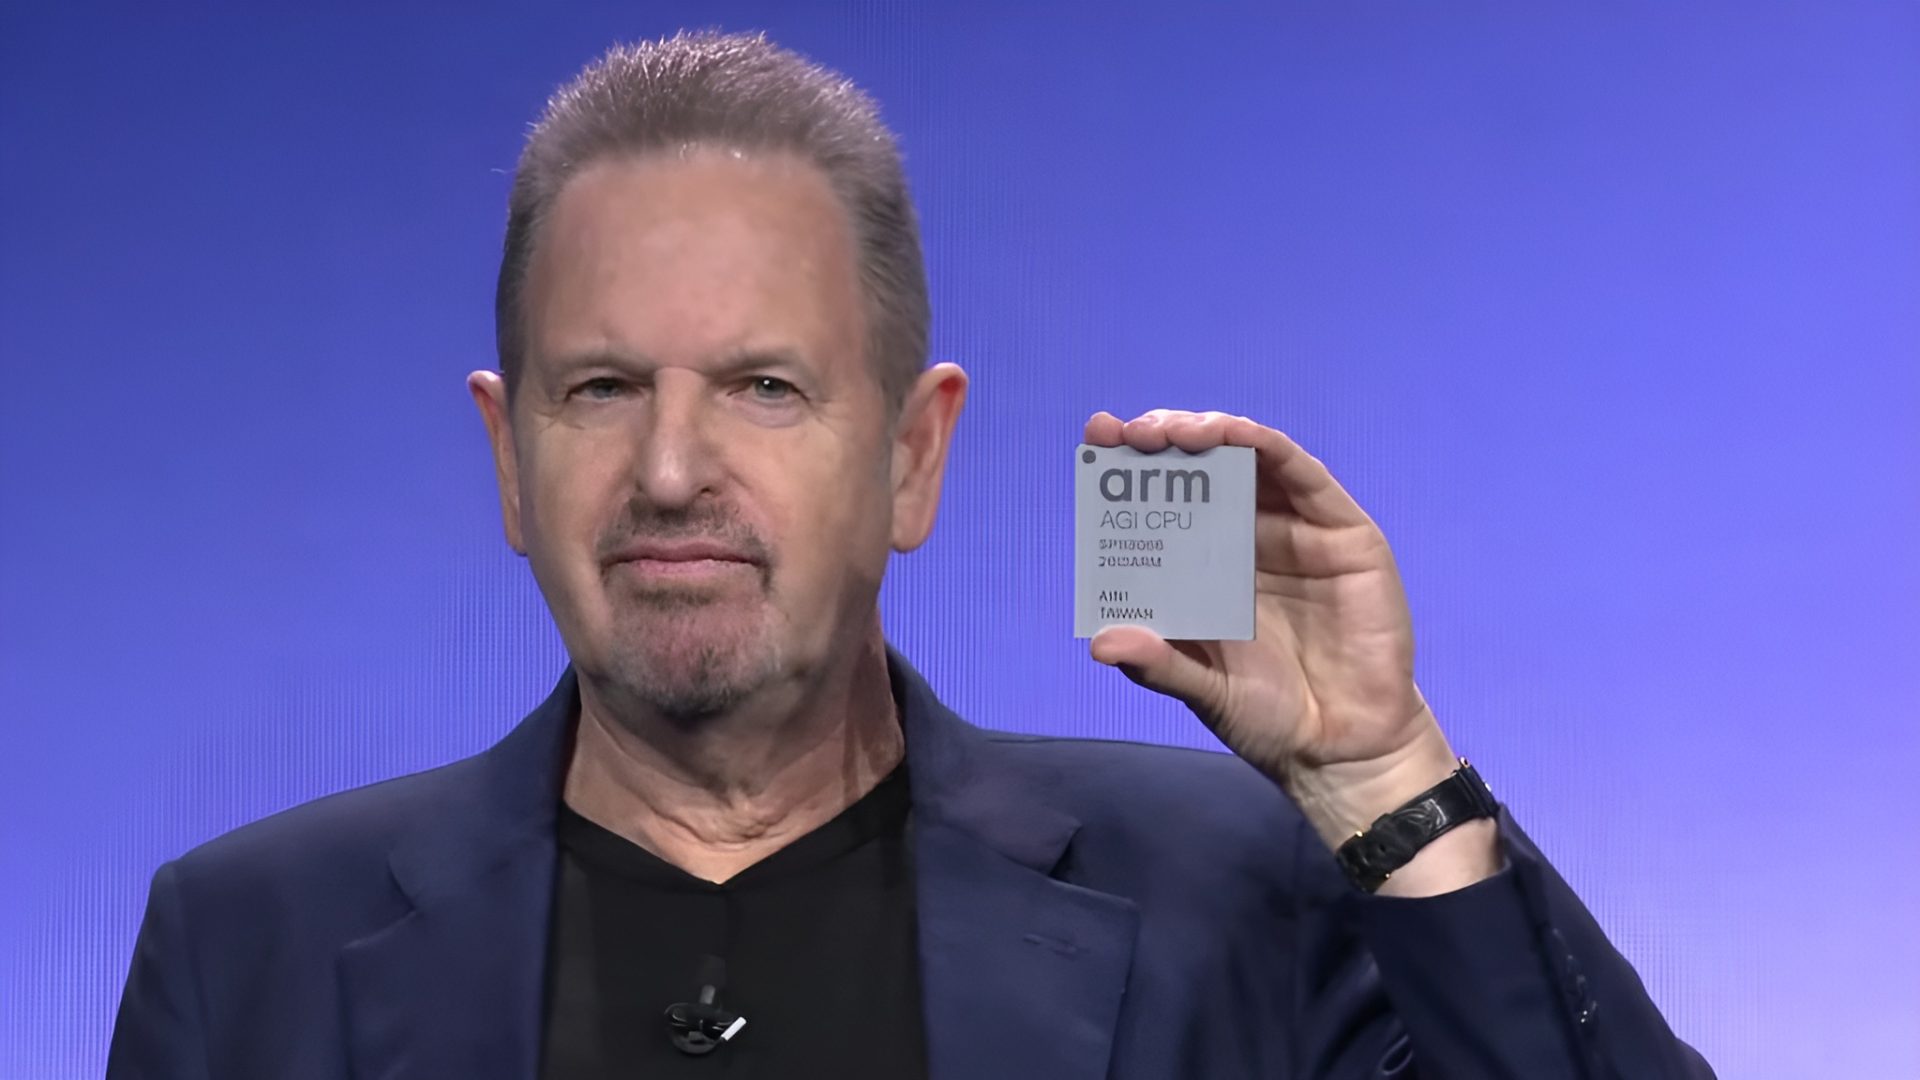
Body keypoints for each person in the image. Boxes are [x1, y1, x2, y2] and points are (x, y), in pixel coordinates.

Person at [107, 29, 1716, 1080]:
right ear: (507, 458)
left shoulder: (1233, 891)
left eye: (764, 387)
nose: (672, 469)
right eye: (600, 389)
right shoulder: (249, 950)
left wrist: (1384, 782)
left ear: (912, 455)